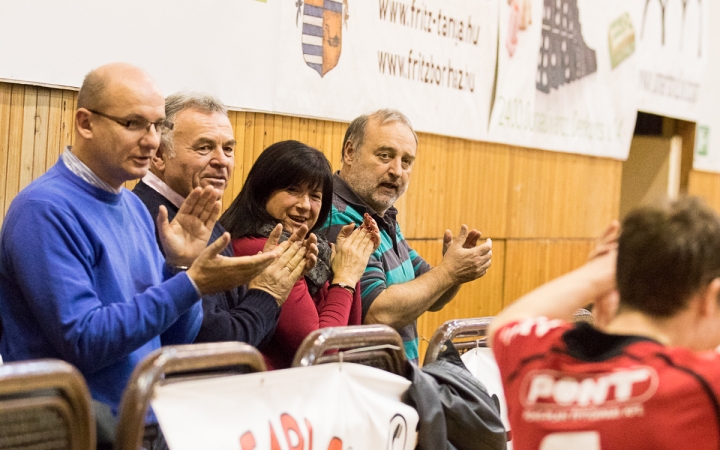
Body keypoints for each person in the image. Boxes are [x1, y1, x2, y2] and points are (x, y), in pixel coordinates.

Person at [0, 63, 309, 421]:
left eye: (157, 125)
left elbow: (176, 338)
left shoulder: (130, 204)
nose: (151, 139)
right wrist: (190, 283)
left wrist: (180, 268)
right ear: (85, 123)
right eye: (133, 124)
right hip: (78, 429)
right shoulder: (44, 209)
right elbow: (84, 340)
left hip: (148, 418)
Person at [489, 197, 720, 450]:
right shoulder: (702, 383)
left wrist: (598, 273)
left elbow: (507, 323)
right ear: (709, 298)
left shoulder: (533, 364)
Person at [319, 109, 493, 363]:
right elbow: (378, 314)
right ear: (349, 153)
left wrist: (455, 269)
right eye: (385, 156)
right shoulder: (339, 216)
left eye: (406, 161)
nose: (397, 171)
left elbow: (430, 293)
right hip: (365, 388)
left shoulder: (381, 214)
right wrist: (449, 272)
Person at [133, 92, 304, 348]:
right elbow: (216, 344)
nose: (222, 161)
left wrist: (266, 286)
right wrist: (267, 294)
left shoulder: (209, 218)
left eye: (228, 149)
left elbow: (255, 336)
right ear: (158, 154)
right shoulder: (148, 222)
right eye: (204, 147)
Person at [220, 140, 380, 369]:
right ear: (263, 190)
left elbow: (346, 337)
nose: (305, 205)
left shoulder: (310, 248)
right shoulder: (264, 249)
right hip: (269, 392)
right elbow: (319, 348)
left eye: (315, 196)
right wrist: (344, 280)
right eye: (292, 190)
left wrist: (349, 265)